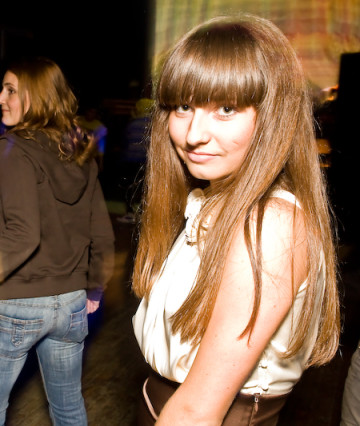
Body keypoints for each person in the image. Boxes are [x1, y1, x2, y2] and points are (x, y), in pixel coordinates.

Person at [131, 15, 339, 425]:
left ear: (274, 116)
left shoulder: (270, 225)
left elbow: (197, 410)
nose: (193, 134)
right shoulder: (213, 199)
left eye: (225, 109)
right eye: (183, 106)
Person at [0, 57, 115, 425]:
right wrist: (94, 287)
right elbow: (101, 232)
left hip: (18, 303)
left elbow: (22, 237)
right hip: (71, 302)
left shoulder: (12, 149)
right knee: (68, 408)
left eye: (10, 90)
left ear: (37, 96)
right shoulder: (80, 151)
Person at [116, 97, 153, 225]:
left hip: (129, 160)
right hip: (146, 161)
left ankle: (129, 213)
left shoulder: (132, 123)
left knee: (129, 187)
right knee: (144, 188)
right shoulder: (153, 125)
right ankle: (142, 214)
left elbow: (124, 143)